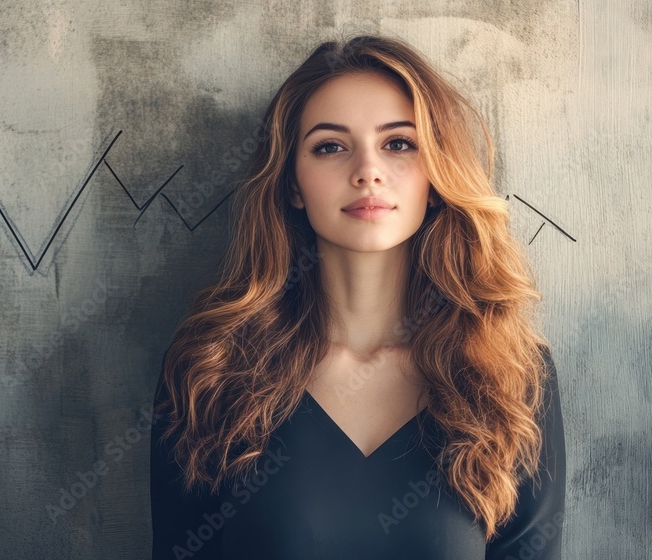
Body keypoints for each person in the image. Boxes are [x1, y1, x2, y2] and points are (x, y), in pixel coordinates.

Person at [149, 34, 566, 559]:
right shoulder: (210, 368)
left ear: (435, 177)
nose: (367, 171)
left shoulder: (511, 376)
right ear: (293, 184)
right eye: (330, 146)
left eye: (398, 144)